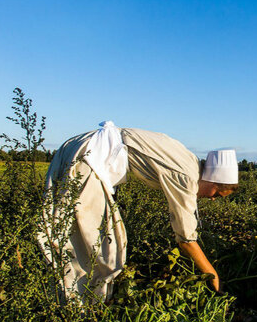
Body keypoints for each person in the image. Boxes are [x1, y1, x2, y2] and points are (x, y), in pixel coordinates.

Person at [38, 121, 238, 301]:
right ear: (213, 179)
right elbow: (185, 239)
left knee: (71, 232)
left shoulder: (189, 160)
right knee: (103, 251)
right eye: (217, 194)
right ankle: (83, 311)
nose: (212, 199)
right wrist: (213, 276)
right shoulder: (187, 177)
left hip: (80, 147)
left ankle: (69, 301)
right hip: (90, 158)